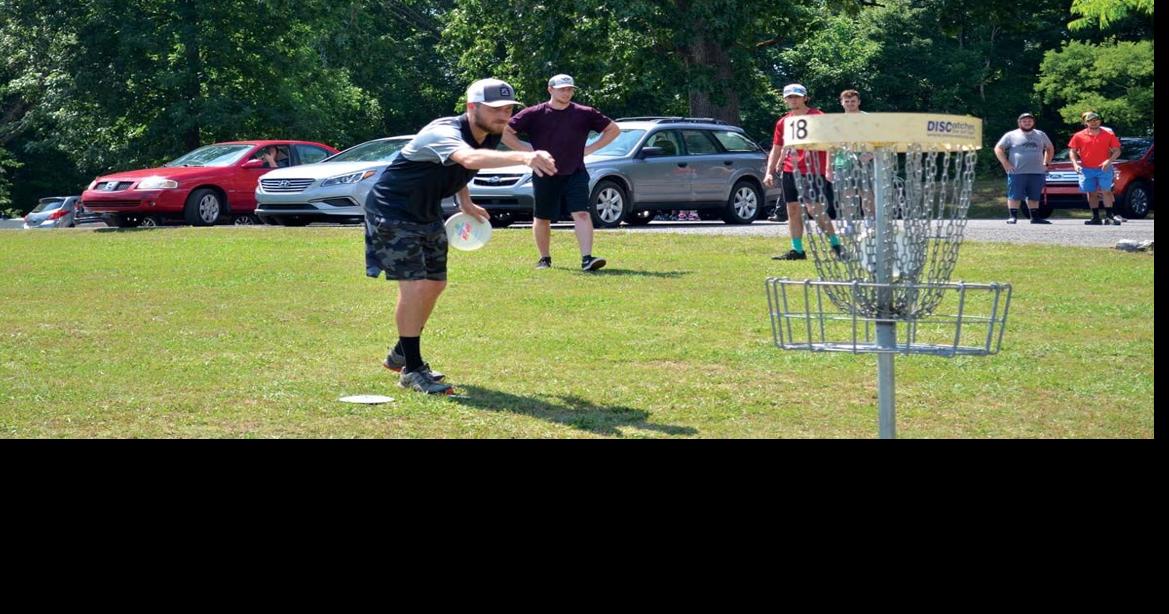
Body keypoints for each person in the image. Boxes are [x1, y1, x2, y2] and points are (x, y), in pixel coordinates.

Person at [365, 78, 557, 394]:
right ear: (472, 107)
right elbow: (467, 159)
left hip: (426, 212)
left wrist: (464, 201)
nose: (503, 116)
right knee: (413, 285)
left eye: (508, 109)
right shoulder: (444, 132)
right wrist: (524, 157)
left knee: (435, 283)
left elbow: (460, 169)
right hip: (392, 210)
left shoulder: (488, 135)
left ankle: (402, 351)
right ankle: (411, 369)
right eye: (495, 109)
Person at [503, 74, 621, 271]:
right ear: (550, 89)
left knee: (582, 213)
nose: (566, 92)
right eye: (562, 89)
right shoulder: (534, 113)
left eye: (570, 89)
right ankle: (544, 258)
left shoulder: (585, 113)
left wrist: (591, 149)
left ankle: (587, 259)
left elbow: (613, 129)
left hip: (576, 171)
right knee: (542, 217)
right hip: (544, 171)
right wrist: (529, 153)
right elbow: (506, 131)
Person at [763, 83, 843, 260]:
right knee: (792, 210)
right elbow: (776, 148)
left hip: (813, 170)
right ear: (785, 99)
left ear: (805, 97)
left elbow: (831, 143)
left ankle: (837, 246)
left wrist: (829, 167)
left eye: (797, 96)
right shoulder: (783, 121)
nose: (793, 100)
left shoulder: (818, 116)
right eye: (790, 97)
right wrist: (769, 171)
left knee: (814, 209)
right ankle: (797, 250)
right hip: (790, 170)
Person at [993, 112, 1055, 224]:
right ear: (1019, 122)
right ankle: (1012, 216)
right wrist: (1005, 163)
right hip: (1017, 171)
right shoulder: (1011, 135)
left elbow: (1050, 148)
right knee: (1014, 195)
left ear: (1033, 122)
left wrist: (1046, 163)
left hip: (1037, 171)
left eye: (1029, 121)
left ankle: (1035, 218)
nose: (1027, 123)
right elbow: (998, 148)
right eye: (1024, 121)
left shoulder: (1040, 134)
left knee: (1034, 195)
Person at [825, 89, 873, 227]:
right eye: (847, 101)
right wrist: (828, 168)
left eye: (853, 101)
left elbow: (877, 140)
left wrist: (871, 154)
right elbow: (831, 145)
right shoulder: (836, 122)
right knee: (846, 194)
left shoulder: (867, 118)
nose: (850, 104)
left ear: (859, 102)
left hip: (864, 160)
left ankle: (870, 222)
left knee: (867, 192)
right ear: (842, 103)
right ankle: (849, 224)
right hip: (843, 161)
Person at [1068, 111, 1123, 225]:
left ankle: (1109, 217)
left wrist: (1109, 160)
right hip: (1086, 169)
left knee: (1106, 191)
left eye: (1096, 120)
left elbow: (1117, 151)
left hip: (1104, 168)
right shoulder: (1079, 135)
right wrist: (1075, 164)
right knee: (1091, 193)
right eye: (1090, 120)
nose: (1093, 122)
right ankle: (1095, 217)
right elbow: (1072, 151)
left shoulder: (1108, 135)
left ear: (1100, 121)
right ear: (1085, 122)